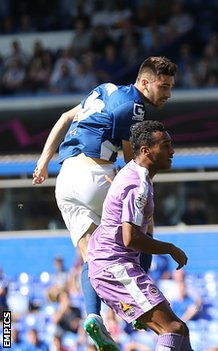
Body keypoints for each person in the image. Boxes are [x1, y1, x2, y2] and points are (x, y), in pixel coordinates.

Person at [32, 56, 177, 350]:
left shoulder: (104, 89)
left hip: (65, 180)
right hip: (95, 175)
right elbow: (131, 162)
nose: (168, 94)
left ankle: (93, 318)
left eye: (171, 87)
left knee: (93, 260)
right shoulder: (134, 106)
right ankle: (139, 305)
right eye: (164, 86)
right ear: (145, 82)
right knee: (140, 229)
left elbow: (64, 117)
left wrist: (43, 160)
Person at [88, 120, 192, 351]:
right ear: (146, 150)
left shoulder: (134, 174)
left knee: (180, 330)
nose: (172, 151)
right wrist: (170, 248)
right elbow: (130, 238)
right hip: (114, 267)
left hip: (113, 266)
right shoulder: (138, 184)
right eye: (165, 145)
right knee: (172, 329)